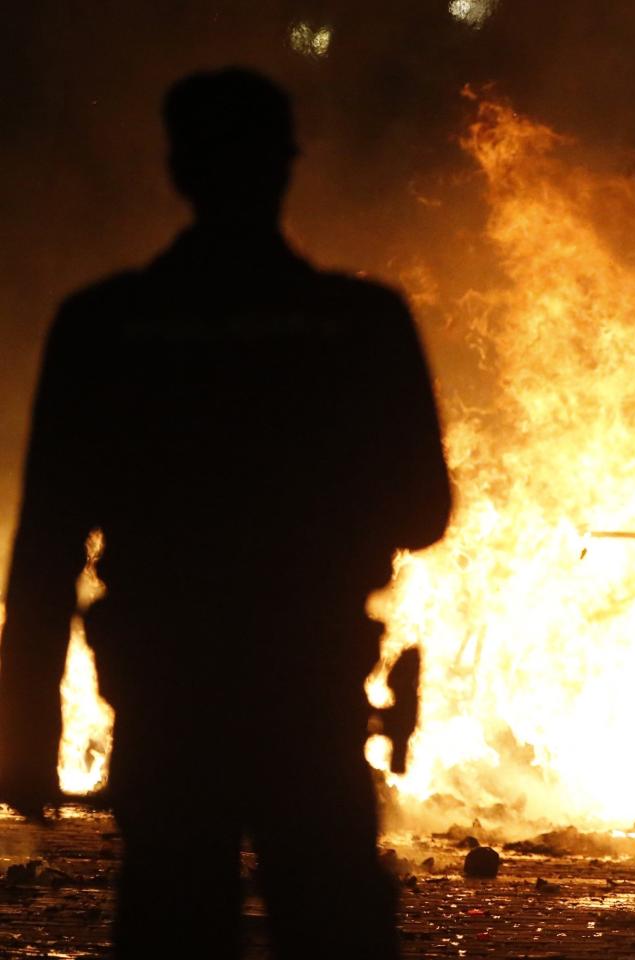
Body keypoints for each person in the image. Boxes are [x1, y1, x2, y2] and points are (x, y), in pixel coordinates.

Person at [0, 68, 451, 959]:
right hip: (307, 688)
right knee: (331, 923)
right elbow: (424, 509)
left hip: (170, 696)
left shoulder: (107, 327)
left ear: (179, 168)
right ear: (286, 167)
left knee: (171, 916)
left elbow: (48, 539)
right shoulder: (360, 324)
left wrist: (22, 729)